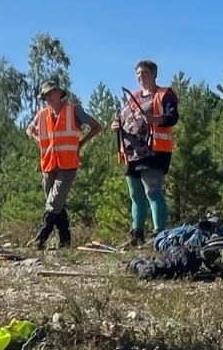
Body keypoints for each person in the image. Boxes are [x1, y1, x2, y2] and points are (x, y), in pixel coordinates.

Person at [25, 82, 102, 248]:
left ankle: (40, 239)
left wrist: (81, 143)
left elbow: (96, 126)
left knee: (53, 203)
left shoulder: (74, 110)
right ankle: (65, 241)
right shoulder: (41, 114)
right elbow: (29, 129)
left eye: (51, 94)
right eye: (45, 96)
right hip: (48, 164)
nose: (48, 98)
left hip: (67, 164)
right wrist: (36, 138)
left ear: (60, 93)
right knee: (56, 204)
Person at [111, 61, 178, 248]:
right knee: (136, 196)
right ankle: (136, 235)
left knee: (152, 192)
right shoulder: (133, 97)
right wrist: (116, 124)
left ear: (154, 73)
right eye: (138, 73)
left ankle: (160, 236)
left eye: (145, 73)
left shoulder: (165, 94)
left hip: (154, 151)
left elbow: (173, 117)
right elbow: (123, 117)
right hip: (132, 153)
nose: (141, 76)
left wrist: (155, 119)